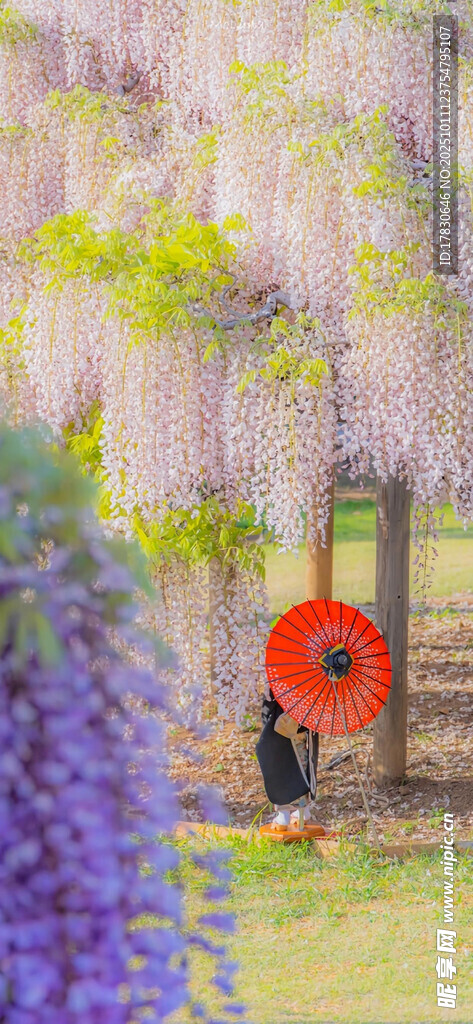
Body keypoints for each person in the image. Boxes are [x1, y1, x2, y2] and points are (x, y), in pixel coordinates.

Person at [255, 683, 324, 834]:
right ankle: (303, 812)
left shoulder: (281, 669)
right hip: (303, 714)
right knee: (302, 761)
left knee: (278, 761)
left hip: (282, 718)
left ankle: (283, 815)